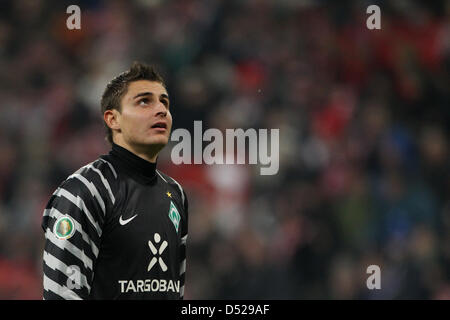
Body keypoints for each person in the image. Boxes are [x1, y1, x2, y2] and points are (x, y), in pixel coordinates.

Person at [41, 62, 188, 300]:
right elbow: (61, 295)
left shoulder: (176, 194)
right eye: (144, 101)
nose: (160, 110)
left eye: (164, 102)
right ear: (113, 119)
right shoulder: (83, 190)